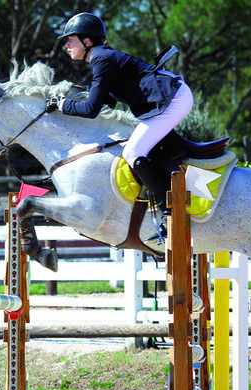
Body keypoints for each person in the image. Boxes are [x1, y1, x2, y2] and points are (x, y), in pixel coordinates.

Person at [48, 12, 194, 241]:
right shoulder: (102, 58)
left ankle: (169, 213)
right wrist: (68, 105)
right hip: (171, 97)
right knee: (143, 148)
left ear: (87, 41)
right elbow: (105, 105)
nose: (66, 45)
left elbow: (91, 109)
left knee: (133, 151)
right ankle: (172, 200)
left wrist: (62, 104)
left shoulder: (102, 59)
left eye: (70, 39)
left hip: (172, 99)